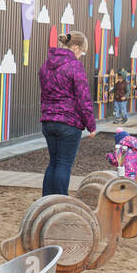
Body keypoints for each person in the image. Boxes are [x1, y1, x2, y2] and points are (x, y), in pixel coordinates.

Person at [38, 32, 96, 196]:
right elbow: (83, 97)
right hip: (68, 122)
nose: (81, 56)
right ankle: (61, 201)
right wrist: (91, 125)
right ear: (76, 48)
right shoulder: (75, 66)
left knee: (53, 163)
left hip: (48, 120)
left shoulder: (46, 65)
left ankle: (46, 202)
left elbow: (44, 94)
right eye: (82, 52)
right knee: (63, 163)